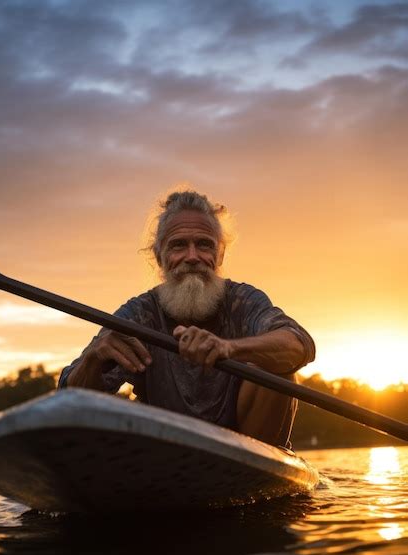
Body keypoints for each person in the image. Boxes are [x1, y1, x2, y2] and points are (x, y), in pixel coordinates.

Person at [59, 190, 315, 448]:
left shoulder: (244, 300)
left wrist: (228, 348)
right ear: (159, 258)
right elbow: (68, 396)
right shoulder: (139, 313)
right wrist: (95, 357)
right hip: (168, 454)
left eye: (204, 245)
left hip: (249, 449)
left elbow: (299, 344)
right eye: (178, 245)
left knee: (279, 368)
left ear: (220, 255)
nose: (192, 257)